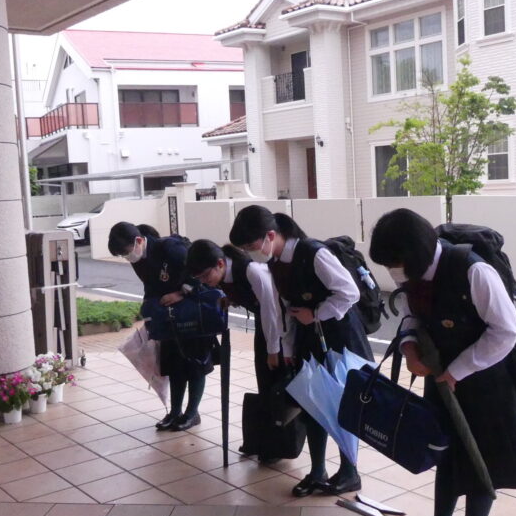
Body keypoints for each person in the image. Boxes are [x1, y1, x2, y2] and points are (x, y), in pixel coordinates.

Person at [369, 208, 516, 516]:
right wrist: (409, 346)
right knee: (445, 457)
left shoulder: (474, 272)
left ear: (415, 254)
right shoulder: (415, 275)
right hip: (442, 378)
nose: (393, 273)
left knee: (480, 463)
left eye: (395, 264)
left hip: (487, 381)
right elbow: (411, 314)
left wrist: (457, 371)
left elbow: (505, 332)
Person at [229, 205, 374, 497]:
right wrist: (288, 347)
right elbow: (287, 308)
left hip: (340, 339)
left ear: (270, 235)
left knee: (341, 406)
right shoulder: (275, 262)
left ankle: (349, 471)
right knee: (312, 406)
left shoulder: (314, 253)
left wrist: (316, 313)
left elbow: (349, 293)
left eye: (251, 246)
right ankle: (317, 470)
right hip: (308, 339)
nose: (250, 253)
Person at [186, 239, 287, 459]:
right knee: (265, 383)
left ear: (220, 263)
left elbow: (272, 312)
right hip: (266, 325)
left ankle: (279, 446)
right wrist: (230, 299)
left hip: (284, 327)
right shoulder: (224, 274)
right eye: (199, 278)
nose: (204, 282)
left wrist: (273, 350)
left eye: (205, 276)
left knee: (278, 386)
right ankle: (264, 442)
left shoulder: (252, 271)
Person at [107, 221, 213, 431]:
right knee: (174, 365)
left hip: (192, 313)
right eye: (122, 255)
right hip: (169, 318)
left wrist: (180, 293)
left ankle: (192, 413)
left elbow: (201, 274)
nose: (127, 257)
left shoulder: (171, 248)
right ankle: (175, 412)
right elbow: (150, 286)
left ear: (139, 241)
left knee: (195, 366)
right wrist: (149, 312)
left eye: (126, 252)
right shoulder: (139, 258)